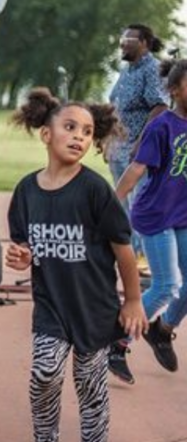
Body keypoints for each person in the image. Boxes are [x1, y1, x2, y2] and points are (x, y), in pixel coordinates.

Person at [6, 88, 147, 442]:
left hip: (94, 309)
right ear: (46, 133)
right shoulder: (26, 191)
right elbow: (24, 248)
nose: (79, 137)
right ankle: (45, 436)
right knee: (45, 373)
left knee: (89, 384)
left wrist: (132, 300)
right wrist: (21, 256)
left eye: (86, 132)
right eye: (70, 127)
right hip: (51, 305)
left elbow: (123, 248)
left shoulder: (95, 190)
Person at [108, 58, 187, 385]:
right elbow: (137, 169)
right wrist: (110, 207)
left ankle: (162, 329)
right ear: (173, 90)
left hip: (183, 217)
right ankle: (117, 342)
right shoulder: (162, 126)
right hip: (155, 216)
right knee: (168, 284)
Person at [108, 23, 167, 276]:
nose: (122, 43)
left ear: (144, 42)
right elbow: (117, 105)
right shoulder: (127, 70)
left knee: (139, 203)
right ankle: (128, 257)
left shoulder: (152, 69)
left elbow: (159, 107)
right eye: (121, 39)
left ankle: (146, 259)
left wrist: (142, 143)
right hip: (119, 148)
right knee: (122, 206)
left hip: (138, 150)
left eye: (129, 39)